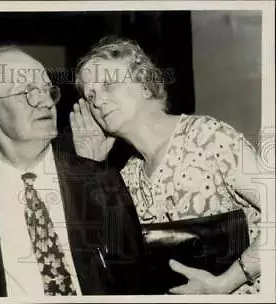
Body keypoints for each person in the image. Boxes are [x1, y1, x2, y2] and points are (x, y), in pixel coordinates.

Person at [0, 46, 148, 298]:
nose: (46, 102)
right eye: (27, 92)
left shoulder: (102, 182)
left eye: (46, 90)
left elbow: (136, 284)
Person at [70, 36, 262, 294]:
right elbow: (104, 263)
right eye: (90, 95)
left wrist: (225, 283)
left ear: (145, 85)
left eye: (109, 84)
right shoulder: (127, 177)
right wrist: (90, 167)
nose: (98, 101)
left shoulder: (206, 136)